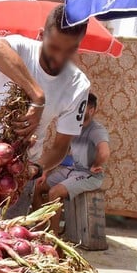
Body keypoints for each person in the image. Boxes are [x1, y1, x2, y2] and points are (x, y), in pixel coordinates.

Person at [0, 5, 91, 219]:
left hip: (18, 176)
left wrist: (34, 170)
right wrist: (37, 97)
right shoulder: (19, 48)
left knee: (3, 242)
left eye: (69, 50)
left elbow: (60, 148)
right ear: (41, 35)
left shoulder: (78, 85)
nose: (59, 58)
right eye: (54, 48)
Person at [34, 93, 109, 234]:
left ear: (91, 110)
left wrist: (97, 164)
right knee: (36, 187)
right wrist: (44, 171)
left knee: (54, 192)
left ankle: (52, 236)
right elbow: (61, 151)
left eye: (82, 108)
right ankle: (40, 228)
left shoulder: (97, 130)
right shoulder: (74, 127)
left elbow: (104, 152)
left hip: (90, 175)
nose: (77, 111)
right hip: (73, 170)